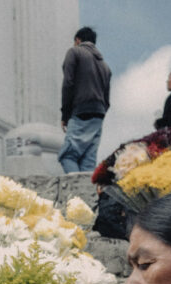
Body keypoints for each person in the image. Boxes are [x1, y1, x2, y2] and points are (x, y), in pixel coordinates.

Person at [58, 27, 111, 174]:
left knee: (68, 156)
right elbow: (107, 100)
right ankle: (87, 190)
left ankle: (75, 190)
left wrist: (65, 114)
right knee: (88, 162)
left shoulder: (74, 52)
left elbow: (68, 83)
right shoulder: (105, 66)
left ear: (77, 40)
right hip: (98, 115)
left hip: (81, 111)